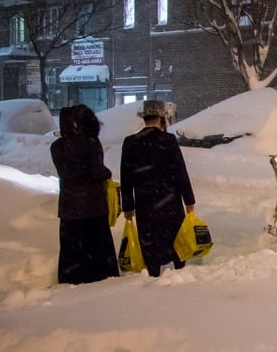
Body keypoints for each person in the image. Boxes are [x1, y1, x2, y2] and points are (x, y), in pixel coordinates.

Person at [120, 100, 195, 277]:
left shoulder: (130, 142)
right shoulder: (168, 140)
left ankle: (153, 272)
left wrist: (128, 205)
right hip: (170, 199)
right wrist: (189, 200)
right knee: (174, 237)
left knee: (149, 238)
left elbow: (126, 176)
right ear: (161, 118)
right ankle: (179, 270)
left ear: (144, 118)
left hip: (145, 201)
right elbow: (180, 171)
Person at [51, 104, 120, 285]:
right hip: (92, 205)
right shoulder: (91, 143)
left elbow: (66, 172)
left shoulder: (56, 146)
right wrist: (108, 173)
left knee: (71, 248)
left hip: (68, 206)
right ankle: (98, 277)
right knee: (96, 246)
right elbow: (97, 172)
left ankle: (71, 276)